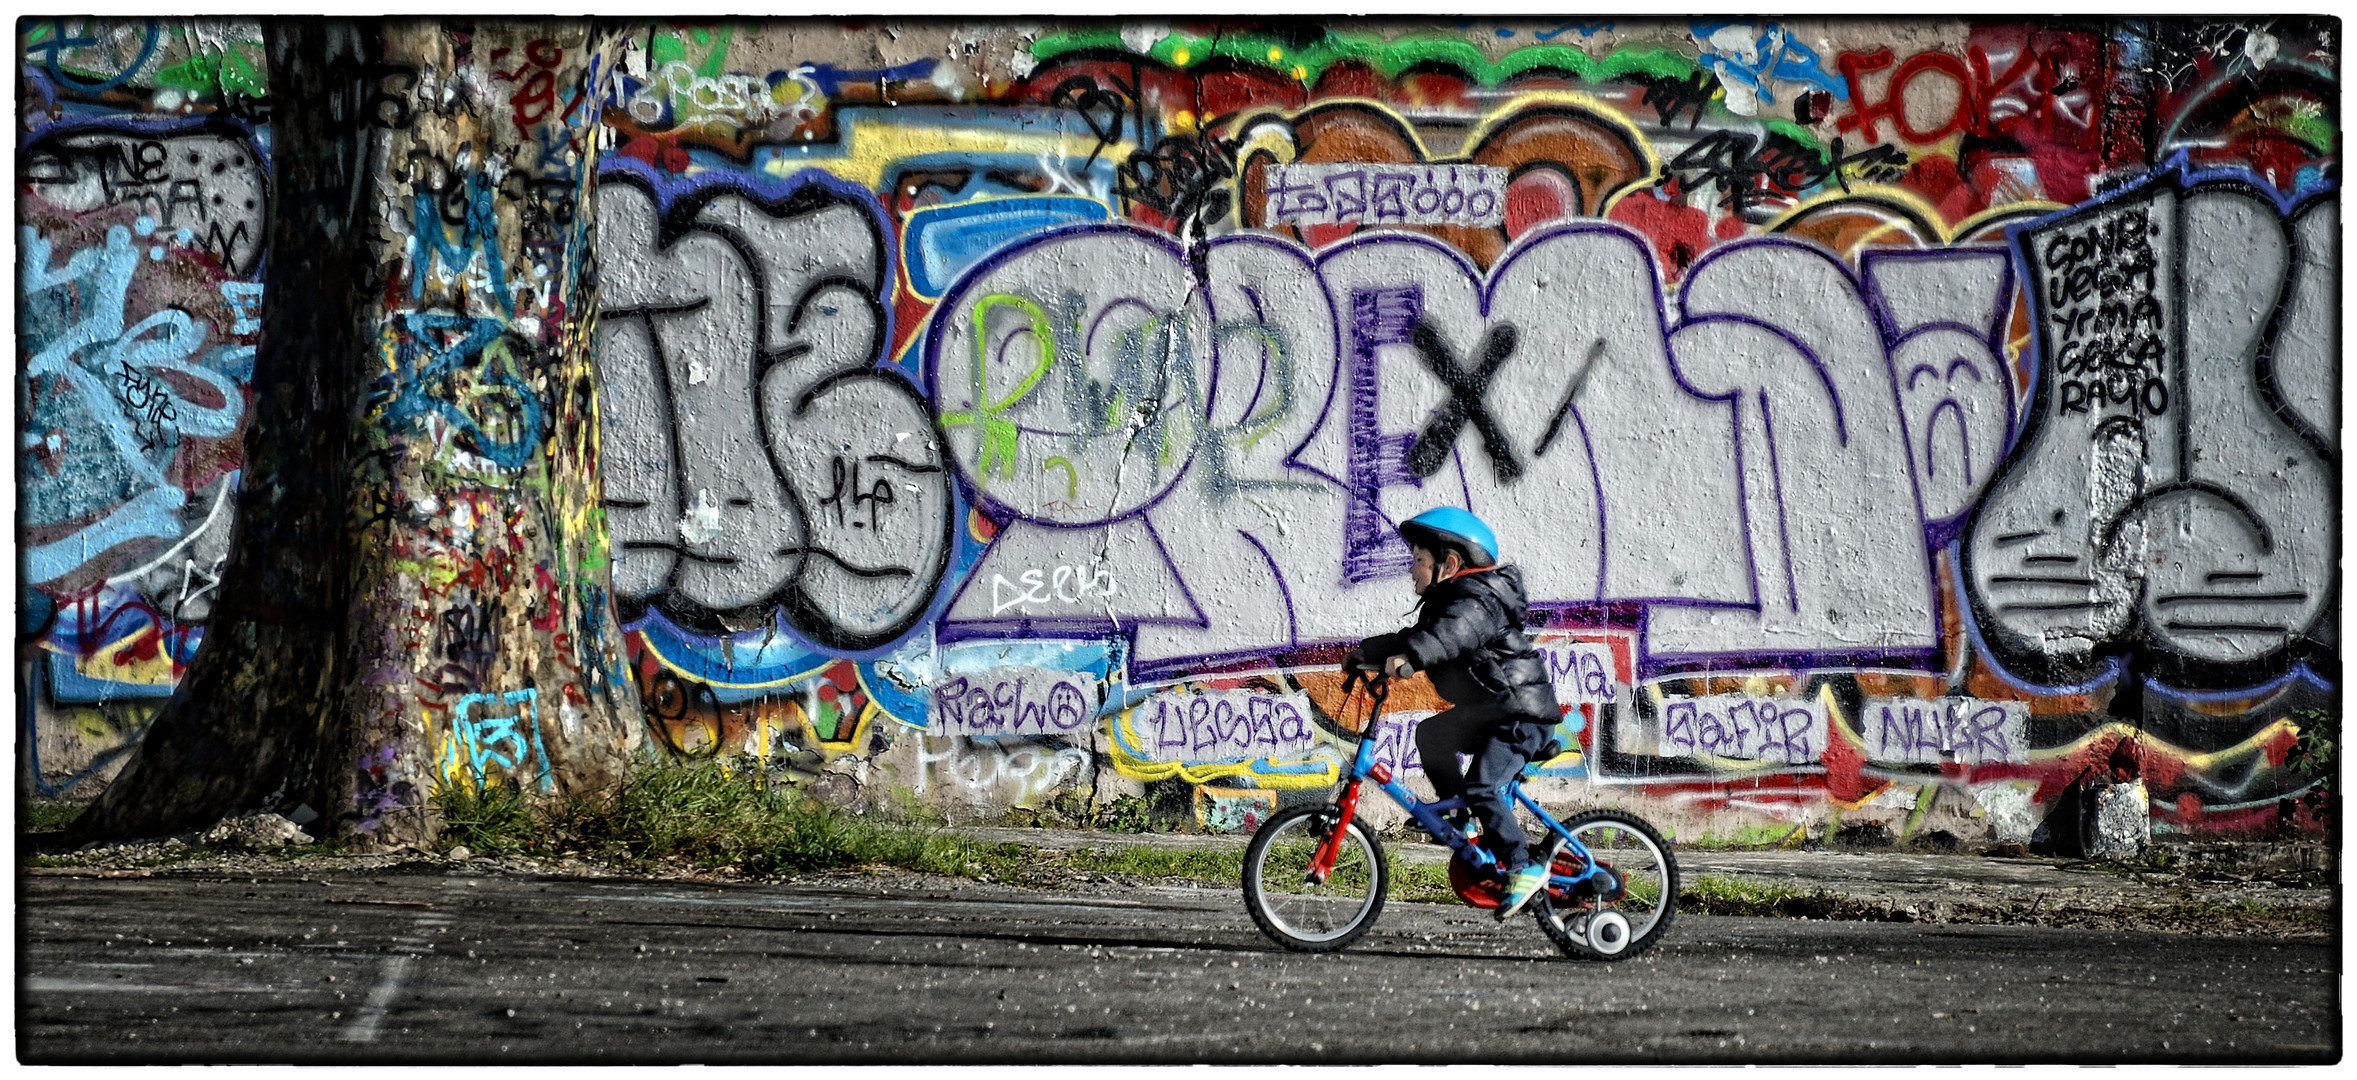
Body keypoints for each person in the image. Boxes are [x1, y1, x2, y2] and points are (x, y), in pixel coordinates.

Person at [1347, 507, 1563, 921]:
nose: (1411, 570)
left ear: (1450, 563)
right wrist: (1365, 654)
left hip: (1519, 716)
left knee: (1484, 786)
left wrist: (1411, 658)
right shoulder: (1447, 602)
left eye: (1418, 560)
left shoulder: (1477, 599)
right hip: (1491, 712)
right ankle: (1457, 815)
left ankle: (1522, 864)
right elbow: (1416, 636)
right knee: (1432, 736)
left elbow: (1449, 637)